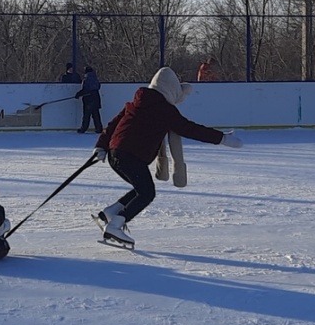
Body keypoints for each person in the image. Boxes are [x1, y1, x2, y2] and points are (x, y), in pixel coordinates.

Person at [92, 66, 243, 246]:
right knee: (147, 193)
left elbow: (112, 124)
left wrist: (101, 146)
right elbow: (190, 129)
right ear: (170, 90)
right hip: (130, 156)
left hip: (115, 153)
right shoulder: (164, 109)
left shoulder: (134, 103)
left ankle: (109, 214)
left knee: (140, 188)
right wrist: (222, 139)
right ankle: (116, 225)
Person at [76, 65, 103, 134]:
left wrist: (78, 94)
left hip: (89, 100)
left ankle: (83, 128)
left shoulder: (87, 79)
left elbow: (85, 90)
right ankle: (99, 128)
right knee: (96, 115)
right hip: (96, 98)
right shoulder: (95, 79)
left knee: (86, 115)